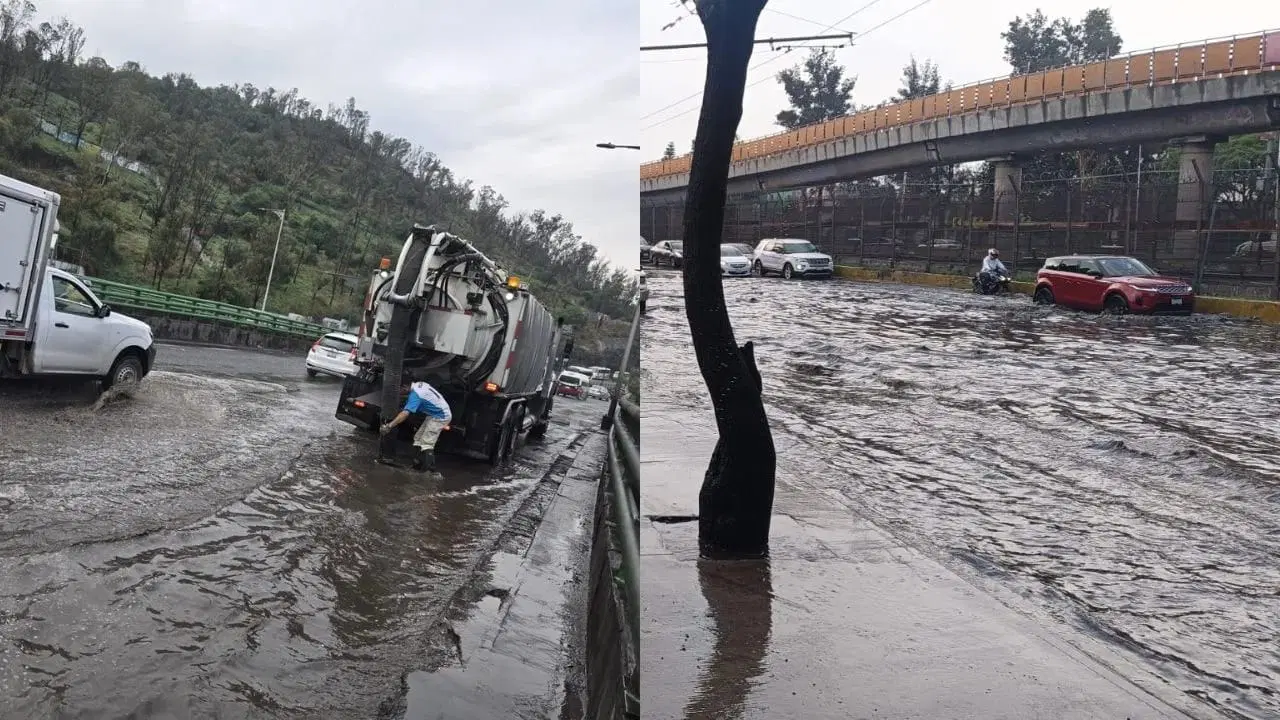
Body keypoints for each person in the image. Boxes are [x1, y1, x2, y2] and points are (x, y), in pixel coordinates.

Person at [380, 380, 452, 471]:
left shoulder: (415, 395)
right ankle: (417, 465)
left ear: (405, 387)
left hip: (441, 416)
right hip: (434, 414)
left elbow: (405, 414)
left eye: (399, 390)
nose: (399, 393)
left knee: (427, 442)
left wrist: (389, 426)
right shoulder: (419, 385)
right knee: (418, 438)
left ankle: (429, 471)